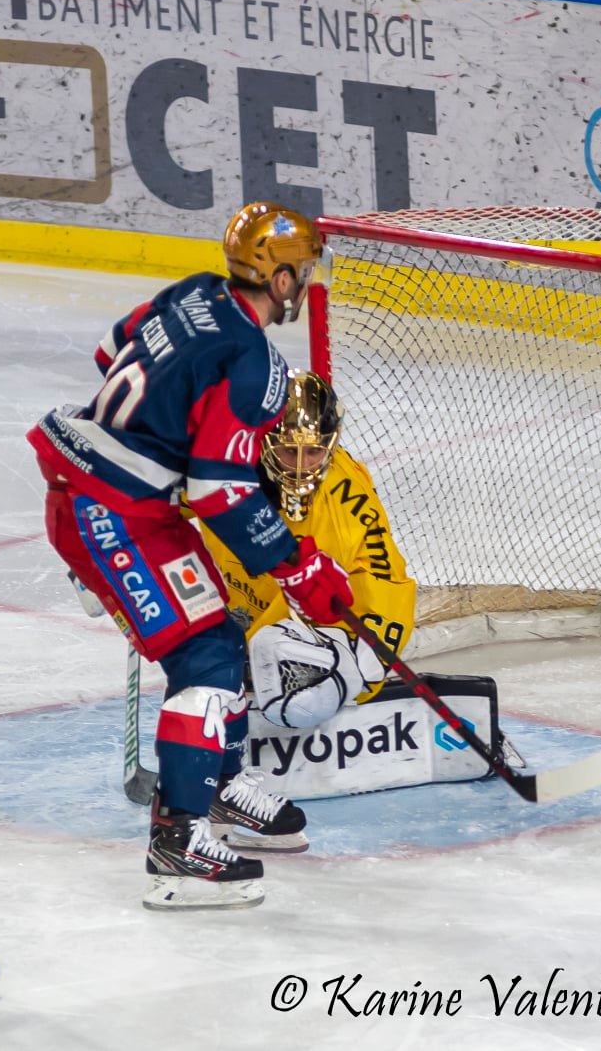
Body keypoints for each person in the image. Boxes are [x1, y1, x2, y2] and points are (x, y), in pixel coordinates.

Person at [28, 202, 353, 911]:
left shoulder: (190, 295)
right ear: (286, 275)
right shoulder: (256, 362)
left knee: (220, 643)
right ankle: (177, 844)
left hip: (114, 495)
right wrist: (300, 568)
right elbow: (219, 491)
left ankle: (215, 785)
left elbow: (113, 350)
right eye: (304, 273)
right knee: (204, 658)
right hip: (114, 512)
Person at [198, 373, 416, 770]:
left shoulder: (344, 500)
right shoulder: (222, 465)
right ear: (263, 440)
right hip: (244, 605)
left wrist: (358, 670)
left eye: (313, 452)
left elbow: (386, 582)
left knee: (285, 675)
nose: (300, 468)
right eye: (286, 451)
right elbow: (153, 502)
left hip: (328, 625)